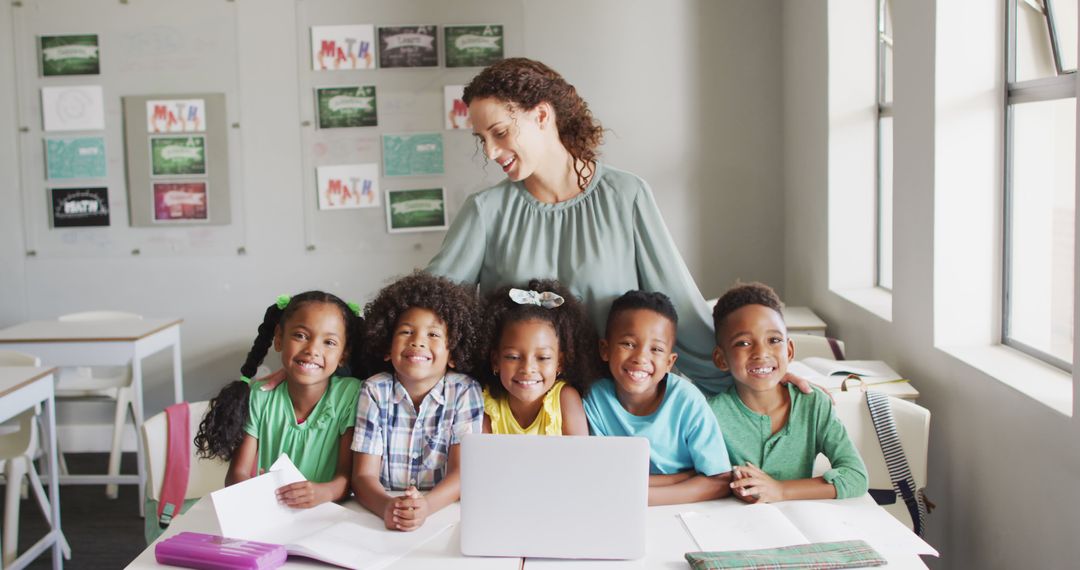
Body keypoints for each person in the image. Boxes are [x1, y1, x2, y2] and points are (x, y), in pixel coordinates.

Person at [426, 57, 810, 399]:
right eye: (482, 139)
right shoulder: (485, 211)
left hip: (615, 408)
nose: (491, 152)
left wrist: (758, 376)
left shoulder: (627, 196)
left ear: (542, 116)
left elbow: (681, 310)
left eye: (500, 132)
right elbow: (429, 312)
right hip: (519, 415)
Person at [194, 291, 364, 508]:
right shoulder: (260, 395)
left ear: (344, 354)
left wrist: (321, 492)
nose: (312, 350)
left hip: (329, 515)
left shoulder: (350, 395)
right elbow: (237, 474)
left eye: (329, 342)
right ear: (278, 338)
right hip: (268, 513)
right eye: (301, 335)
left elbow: (346, 477)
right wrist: (255, 491)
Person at [708, 282, 868, 503]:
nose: (761, 353)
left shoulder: (813, 404)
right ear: (721, 358)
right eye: (743, 343)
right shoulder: (710, 414)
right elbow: (702, 479)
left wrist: (780, 490)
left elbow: (856, 476)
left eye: (774, 340)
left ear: (789, 350)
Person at [350, 272, 484, 531]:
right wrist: (386, 507)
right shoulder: (375, 391)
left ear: (453, 352)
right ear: (387, 348)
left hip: (444, 513)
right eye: (406, 331)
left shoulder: (465, 392)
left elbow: (461, 474)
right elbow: (363, 475)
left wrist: (426, 506)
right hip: (381, 511)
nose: (418, 341)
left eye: (433, 334)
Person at [583, 291, 732, 505]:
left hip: (684, 513)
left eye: (656, 349)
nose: (641, 358)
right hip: (617, 512)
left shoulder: (686, 401)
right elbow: (599, 479)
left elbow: (720, 480)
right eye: (628, 344)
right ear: (605, 349)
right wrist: (681, 478)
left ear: (670, 363)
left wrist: (639, 496)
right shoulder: (595, 400)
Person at [478, 278, 597, 435]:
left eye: (543, 358)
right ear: (495, 361)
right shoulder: (486, 403)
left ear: (559, 362)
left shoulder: (565, 400)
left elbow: (580, 456)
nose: (527, 369)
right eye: (513, 357)